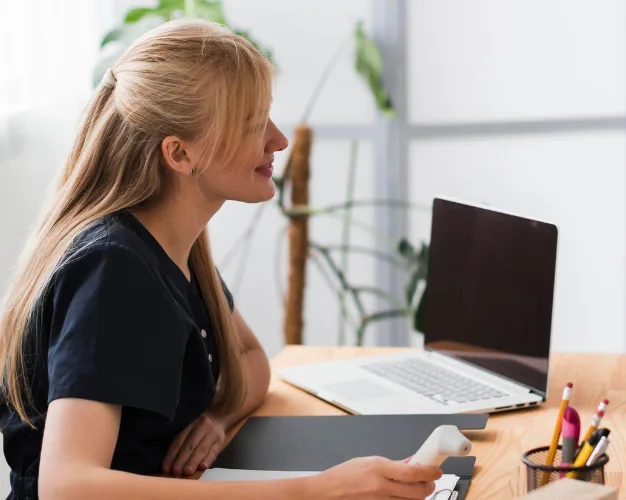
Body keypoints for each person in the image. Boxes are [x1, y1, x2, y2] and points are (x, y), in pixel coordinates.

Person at [0, 19, 440, 500]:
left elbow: (251, 362)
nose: (279, 140)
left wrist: (217, 418)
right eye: (253, 124)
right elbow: (67, 487)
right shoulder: (115, 269)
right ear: (180, 153)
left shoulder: (172, 246)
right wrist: (316, 491)